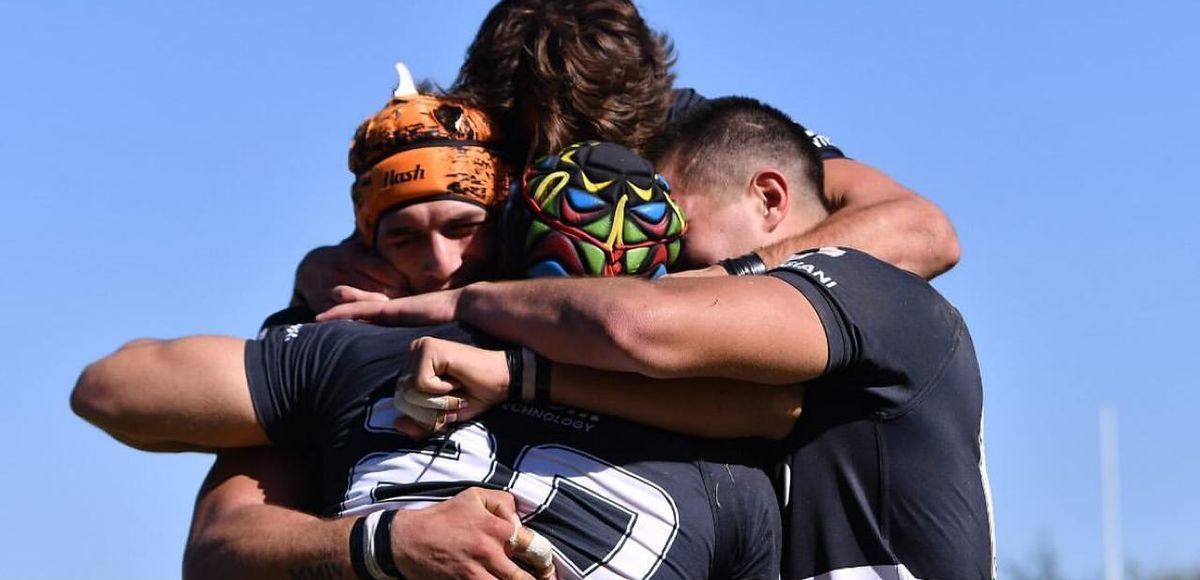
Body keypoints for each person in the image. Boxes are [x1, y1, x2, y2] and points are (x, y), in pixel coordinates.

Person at [322, 97, 996, 579]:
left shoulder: (871, 288)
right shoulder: (779, 349)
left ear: (768, 199)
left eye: (678, 238)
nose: (663, 267)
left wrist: (467, 301)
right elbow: (748, 408)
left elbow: (637, 325)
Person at [72, 142, 788, 579]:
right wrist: (389, 543)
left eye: (462, 228)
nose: (438, 263)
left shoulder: (731, 441)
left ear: (505, 230)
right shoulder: (358, 347)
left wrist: (514, 368)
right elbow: (116, 401)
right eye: (403, 237)